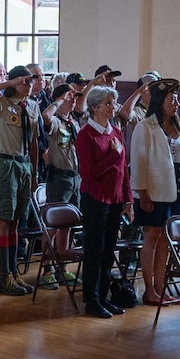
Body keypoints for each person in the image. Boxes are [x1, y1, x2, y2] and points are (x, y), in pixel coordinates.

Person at [0, 66, 41, 296]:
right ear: (14, 82)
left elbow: (33, 141)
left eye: (31, 81)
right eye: (24, 81)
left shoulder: (32, 106)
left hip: (23, 165)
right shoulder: (2, 104)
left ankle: (13, 272)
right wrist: (8, 83)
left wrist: (33, 172)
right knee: (3, 218)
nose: (29, 84)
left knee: (15, 221)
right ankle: (3, 276)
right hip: (4, 164)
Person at [129, 78, 180, 306]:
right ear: (159, 101)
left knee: (165, 239)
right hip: (153, 190)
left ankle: (161, 286)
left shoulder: (176, 125)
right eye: (170, 98)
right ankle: (149, 289)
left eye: (176, 98)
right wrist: (142, 193)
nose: (175, 102)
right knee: (152, 237)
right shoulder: (146, 126)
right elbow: (139, 160)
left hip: (174, 189)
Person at [75, 84, 130, 319]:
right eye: (107, 103)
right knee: (94, 252)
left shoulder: (115, 132)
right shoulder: (85, 135)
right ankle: (92, 300)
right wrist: (112, 155)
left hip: (115, 200)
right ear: (95, 107)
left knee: (109, 252)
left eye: (113, 103)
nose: (112, 107)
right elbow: (89, 174)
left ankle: (104, 297)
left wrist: (128, 199)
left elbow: (123, 170)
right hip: (95, 200)